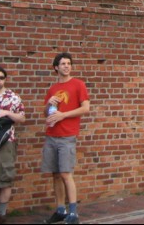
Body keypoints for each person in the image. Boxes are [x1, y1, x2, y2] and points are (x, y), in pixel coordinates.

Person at [42, 53, 90, 225]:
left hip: (67, 135)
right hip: (52, 135)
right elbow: (46, 113)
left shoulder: (78, 84)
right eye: (63, 64)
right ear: (56, 67)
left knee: (65, 173)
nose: (66, 66)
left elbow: (85, 108)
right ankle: (60, 209)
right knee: (55, 174)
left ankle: (73, 213)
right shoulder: (53, 88)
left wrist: (63, 116)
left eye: (69, 63)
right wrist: (49, 104)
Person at [0, 67, 26, 225]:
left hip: (6, 141)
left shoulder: (13, 97)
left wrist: (7, 113)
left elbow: (22, 118)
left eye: (1, 77)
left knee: (6, 176)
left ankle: (1, 213)